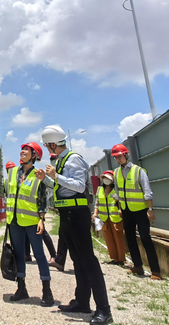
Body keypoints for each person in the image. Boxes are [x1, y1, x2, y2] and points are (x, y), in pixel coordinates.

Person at [40, 125, 112, 325]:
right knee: (77, 260)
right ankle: (82, 301)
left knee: (88, 260)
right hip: (66, 214)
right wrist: (46, 179)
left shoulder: (73, 159)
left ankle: (104, 309)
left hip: (77, 214)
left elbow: (79, 186)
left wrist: (55, 176)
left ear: (53, 144)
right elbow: (61, 186)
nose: (48, 149)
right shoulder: (61, 161)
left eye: (48, 145)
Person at [6, 142, 53, 306]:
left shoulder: (38, 174)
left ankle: (47, 292)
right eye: (21, 149)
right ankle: (21, 288)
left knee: (39, 255)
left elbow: (44, 197)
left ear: (34, 155)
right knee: (19, 255)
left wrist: (42, 219)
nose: (22, 152)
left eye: (26, 150)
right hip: (15, 221)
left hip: (32, 221)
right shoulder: (12, 173)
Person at [111, 144, 161, 280]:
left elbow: (147, 191)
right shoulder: (116, 173)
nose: (118, 159)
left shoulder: (139, 171)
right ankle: (137, 266)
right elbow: (118, 193)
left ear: (126, 155)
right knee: (130, 238)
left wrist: (150, 209)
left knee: (145, 238)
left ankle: (156, 271)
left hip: (141, 210)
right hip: (127, 210)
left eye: (120, 156)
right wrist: (121, 208)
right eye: (116, 157)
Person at [93, 170, 126, 265]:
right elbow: (97, 203)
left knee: (118, 238)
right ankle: (114, 258)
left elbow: (120, 201)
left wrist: (120, 209)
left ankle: (121, 259)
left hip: (115, 217)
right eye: (105, 178)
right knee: (109, 239)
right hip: (104, 218)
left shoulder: (117, 189)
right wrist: (95, 213)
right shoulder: (100, 190)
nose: (106, 180)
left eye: (108, 178)